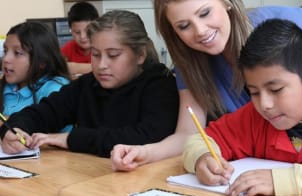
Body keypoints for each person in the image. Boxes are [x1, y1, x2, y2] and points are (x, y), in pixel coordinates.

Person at [110, 0, 302, 172]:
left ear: (226, 3)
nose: (200, 31)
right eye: (183, 26)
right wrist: (145, 153)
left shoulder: (283, 25)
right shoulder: (191, 65)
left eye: (205, 13)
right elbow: (190, 134)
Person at [183, 18, 302, 196]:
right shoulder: (255, 118)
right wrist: (202, 158)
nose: (264, 105)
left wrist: (286, 181)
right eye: (254, 92)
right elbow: (201, 140)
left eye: (276, 90)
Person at [0, 10, 179, 158]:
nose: (101, 65)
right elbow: (44, 112)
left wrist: (71, 139)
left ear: (140, 55)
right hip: (88, 180)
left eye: (113, 55)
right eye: (95, 54)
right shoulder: (87, 85)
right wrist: (14, 131)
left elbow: (147, 137)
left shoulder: (161, 85)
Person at [0, 21, 70, 125]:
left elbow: (57, 134)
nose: (5, 59)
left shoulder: (55, 90)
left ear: (41, 61)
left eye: (17, 53)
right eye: (5, 51)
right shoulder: (5, 85)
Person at [61, 1, 99, 79]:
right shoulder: (69, 48)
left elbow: (108, 67)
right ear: (71, 31)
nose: (82, 37)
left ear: (97, 28)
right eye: (77, 32)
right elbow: (57, 67)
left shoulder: (101, 46)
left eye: (87, 31)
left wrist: (75, 67)